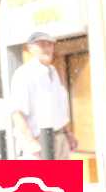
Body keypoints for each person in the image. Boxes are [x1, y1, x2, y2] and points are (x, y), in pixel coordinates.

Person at [10, 31, 77, 160]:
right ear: (30, 48)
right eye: (41, 44)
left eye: (49, 44)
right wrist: (31, 141)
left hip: (59, 137)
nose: (47, 48)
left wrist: (68, 133)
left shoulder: (53, 71)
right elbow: (17, 113)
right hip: (39, 140)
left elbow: (57, 108)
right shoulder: (24, 74)